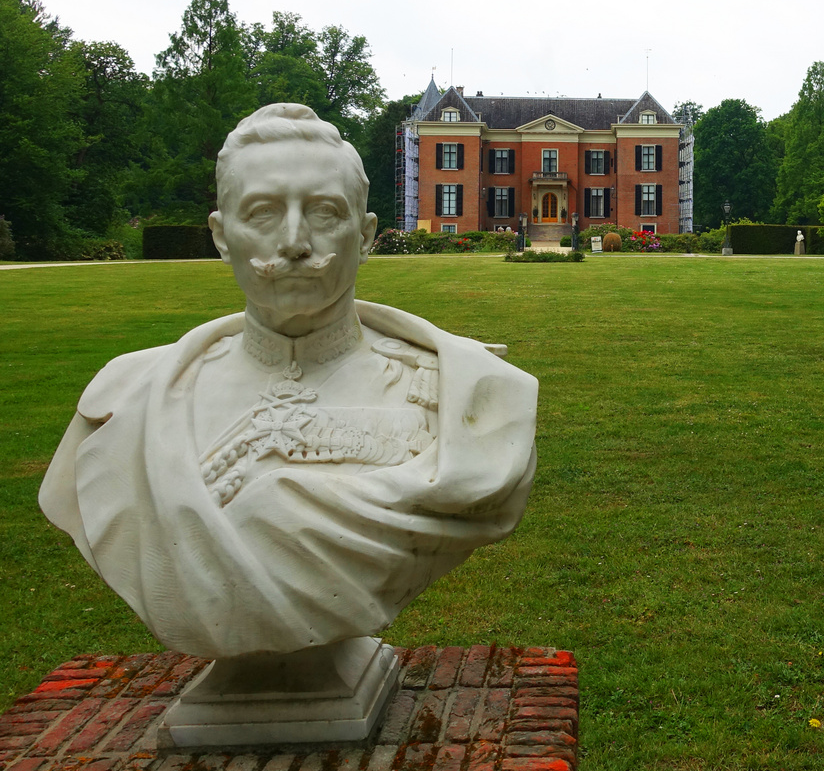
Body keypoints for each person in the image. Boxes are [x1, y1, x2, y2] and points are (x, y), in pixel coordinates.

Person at [40, 105, 537, 659]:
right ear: (222, 235)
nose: (296, 241)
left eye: (325, 212)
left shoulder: (474, 397)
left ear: (366, 235)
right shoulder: (122, 400)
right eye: (262, 213)